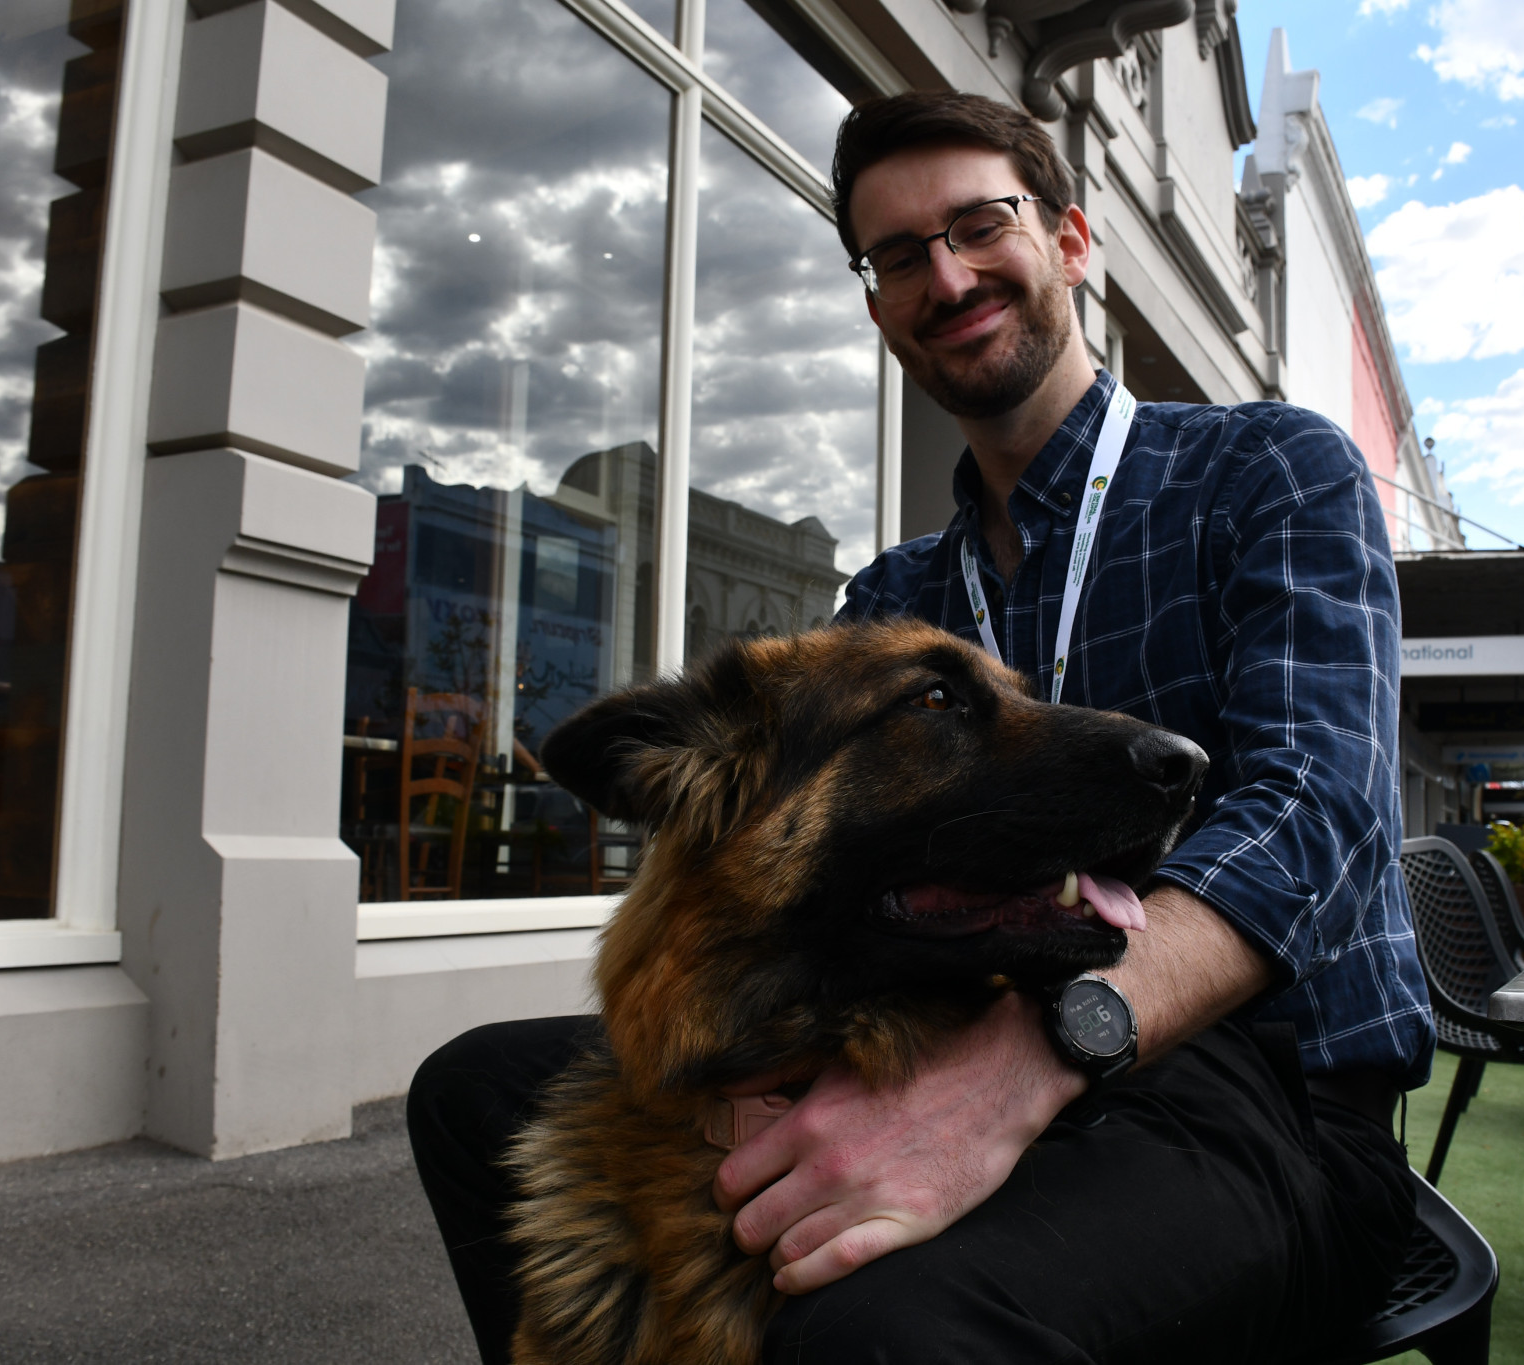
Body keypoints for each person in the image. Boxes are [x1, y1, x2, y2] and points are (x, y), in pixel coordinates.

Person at [408, 91, 1435, 1364]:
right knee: (472, 1092)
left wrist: (1029, 1063)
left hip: (1265, 1091)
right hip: (931, 1029)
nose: (944, 275)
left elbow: (1317, 809)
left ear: (1066, 239)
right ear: (878, 300)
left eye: (977, 225)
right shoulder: (895, 598)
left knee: (879, 1332)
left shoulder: (1266, 470)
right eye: (898, 254)